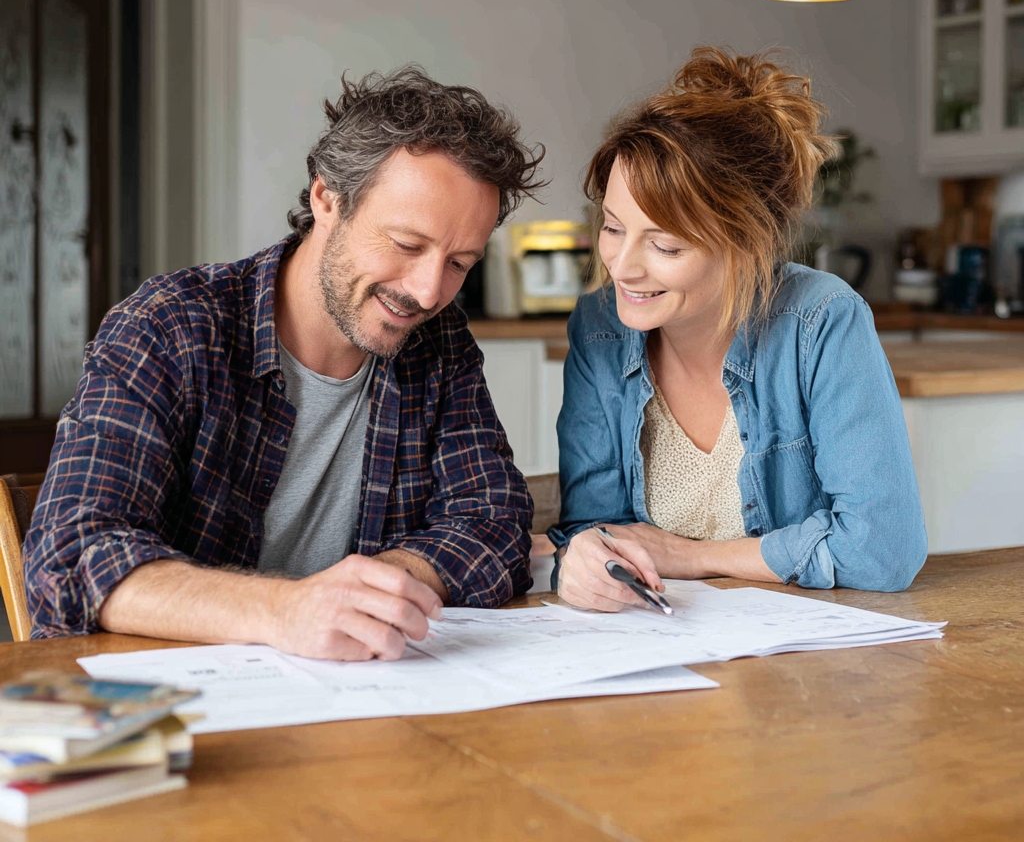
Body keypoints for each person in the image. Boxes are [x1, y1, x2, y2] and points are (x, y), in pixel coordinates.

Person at [25, 66, 544, 659]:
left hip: (356, 700)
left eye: (459, 263)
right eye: (406, 245)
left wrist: (380, 589)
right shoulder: (170, 327)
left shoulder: (437, 340)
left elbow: (494, 522)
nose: (428, 292)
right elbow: (71, 558)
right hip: (165, 703)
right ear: (327, 198)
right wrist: (287, 609)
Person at [550, 48, 928, 612]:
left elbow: (882, 551)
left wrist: (697, 556)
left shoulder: (819, 322)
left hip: (808, 668)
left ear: (743, 245)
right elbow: (594, 527)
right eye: (612, 227)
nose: (622, 266)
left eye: (664, 245)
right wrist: (578, 558)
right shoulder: (601, 326)